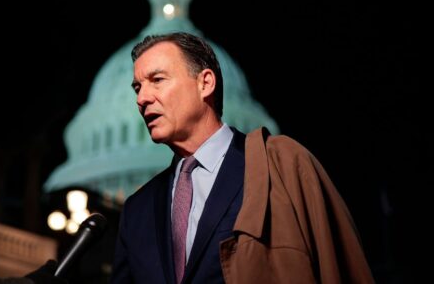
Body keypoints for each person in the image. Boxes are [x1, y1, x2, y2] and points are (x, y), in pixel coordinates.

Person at [110, 32, 374, 283]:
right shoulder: (136, 211)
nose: (142, 98)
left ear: (205, 83)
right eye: (137, 87)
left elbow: (341, 269)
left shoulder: (280, 165)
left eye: (157, 80)